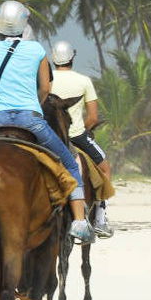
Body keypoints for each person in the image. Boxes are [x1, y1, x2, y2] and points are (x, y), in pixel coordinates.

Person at [0, 1, 95, 244]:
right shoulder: (37, 50)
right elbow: (45, 89)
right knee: (70, 163)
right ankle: (80, 222)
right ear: (23, 25)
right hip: (31, 120)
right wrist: (34, 105)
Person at [49, 40, 113, 238]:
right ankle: (100, 218)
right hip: (76, 135)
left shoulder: (46, 80)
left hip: (50, 136)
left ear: (53, 59)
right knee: (105, 167)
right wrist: (83, 129)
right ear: (72, 58)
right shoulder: (84, 80)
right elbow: (93, 117)